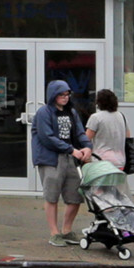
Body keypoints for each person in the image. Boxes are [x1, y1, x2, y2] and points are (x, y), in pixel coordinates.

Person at [30, 78, 92, 246]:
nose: (65, 98)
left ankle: (66, 230)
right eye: (61, 95)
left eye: (67, 94)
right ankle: (54, 233)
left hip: (71, 157)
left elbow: (79, 133)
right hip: (50, 159)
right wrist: (72, 150)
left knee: (75, 195)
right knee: (52, 196)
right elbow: (47, 138)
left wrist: (87, 146)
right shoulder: (44, 113)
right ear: (53, 96)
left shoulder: (71, 112)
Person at [85, 88, 129, 171]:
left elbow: (86, 139)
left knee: (101, 184)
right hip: (120, 161)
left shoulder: (96, 117)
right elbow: (128, 137)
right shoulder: (121, 116)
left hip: (100, 160)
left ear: (99, 102)